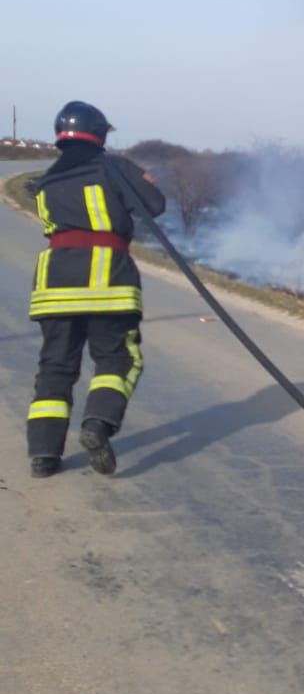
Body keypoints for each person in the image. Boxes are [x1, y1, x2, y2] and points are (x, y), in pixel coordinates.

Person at [26, 101, 165, 477]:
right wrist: (146, 181)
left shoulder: (46, 179)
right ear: (99, 133)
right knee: (119, 359)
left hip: (53, 283)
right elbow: (154, 205)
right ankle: (97, 425)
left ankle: (43, 456)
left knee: (55, 367)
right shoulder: (114, 167)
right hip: (107, 280)